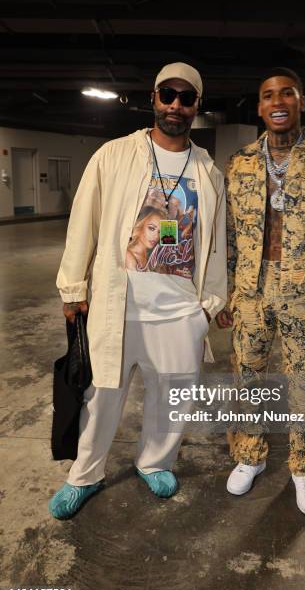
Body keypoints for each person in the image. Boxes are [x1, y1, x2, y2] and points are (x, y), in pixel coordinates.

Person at [49, 62, 227, 519]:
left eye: (186, 98)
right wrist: (73, 288)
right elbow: (82, 223)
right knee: (101, 395)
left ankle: (155, 462)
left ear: (196, 106)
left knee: (174, 396)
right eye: (168, 94)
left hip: (178, 310)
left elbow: (217, 241)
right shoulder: (114, 155)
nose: (175, 104)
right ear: (153, 97)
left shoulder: (207, 169)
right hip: (119, 303)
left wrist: (207, 306)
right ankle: (84, 474)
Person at [216, 67, 305, 515]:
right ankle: (250, 454)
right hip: (251, 292)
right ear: (259, 107)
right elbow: (231, 237)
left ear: (301, 101)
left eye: (287, 93)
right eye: (268, 95)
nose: (278, 101)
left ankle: (304, 467)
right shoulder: (240, 163)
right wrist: (229, 294)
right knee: (248, 379)